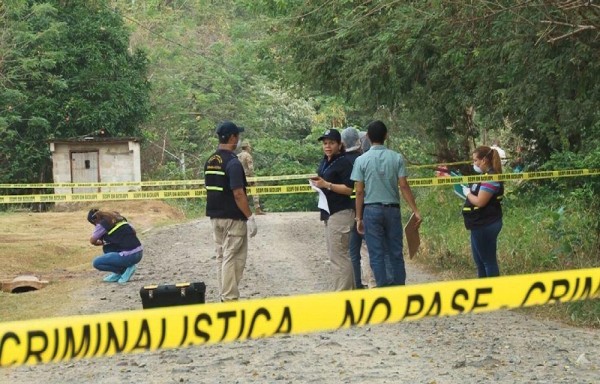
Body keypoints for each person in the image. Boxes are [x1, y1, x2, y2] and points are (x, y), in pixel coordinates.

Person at [351, 120, 422, 287]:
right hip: (392, 210)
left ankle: (383, 290)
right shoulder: (396, 158)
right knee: (395, 251)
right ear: (386, 136)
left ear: (367, 137)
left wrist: (358, 218)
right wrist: (415, 210)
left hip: (371, 210)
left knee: (377, 254)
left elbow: (359, 191)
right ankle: (399, 289)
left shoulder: (361, 160)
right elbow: (403, 186)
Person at [204, 121, 258, 302]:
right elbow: (238, 192)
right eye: (237, 136)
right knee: (233, 257)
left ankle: (224, 294)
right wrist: (249, 216)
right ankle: (229, 298)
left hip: (215, 216)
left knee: (222, 256)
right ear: (233, 137)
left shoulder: (211, 160)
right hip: (232, 218)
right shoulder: (233, 163)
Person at [310, 128, 355, 291]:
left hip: (341, 212)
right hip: (329, 212)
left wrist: (327, 185)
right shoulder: (325, 161)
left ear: (339, 145)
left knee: (340, 257)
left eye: (331, 143)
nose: (327, 146)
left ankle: (343, 296)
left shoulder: (344, 163)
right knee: (334, 255)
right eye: (325, 143)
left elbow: (349, 189)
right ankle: (345, 292)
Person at [461, 146, 504, 278]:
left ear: (484, 160)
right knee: (480, 262)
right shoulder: (485, 176)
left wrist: (468, 194)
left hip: (486, 224)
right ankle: (483, 293)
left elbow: (480, 201)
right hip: (479, 223)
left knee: (488, 262)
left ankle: (494, 294)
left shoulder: (491, 177)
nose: (474, 163)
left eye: (475, 160)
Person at [341, 127, 374, 289]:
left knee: (353, 252)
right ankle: (373, 283)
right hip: (365, 208)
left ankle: (357, 285)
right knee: (370, 248)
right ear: (358, 142)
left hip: (348, 210)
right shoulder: (364, 160)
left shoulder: (340, 161)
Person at [88, 208, 143, 284]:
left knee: (97, 263)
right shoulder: (119, 218)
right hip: (139, 252)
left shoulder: (102, 224)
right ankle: (121, 271)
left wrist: (101, 242)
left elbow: (92, 241)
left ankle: (124, 271)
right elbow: (133, 231)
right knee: (108, 247)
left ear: (94, 220)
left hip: (129, 256)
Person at [237, 140, 265, 215]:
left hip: (239, 177)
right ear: (247, 147)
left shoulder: (238, 156)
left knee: (241, 193)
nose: (250, 148)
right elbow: (250, 168)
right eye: (249, 147)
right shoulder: (248, 155)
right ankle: (257, 209)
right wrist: (252, 177)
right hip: (248, 176)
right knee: (254, 192)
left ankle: (241, 210)